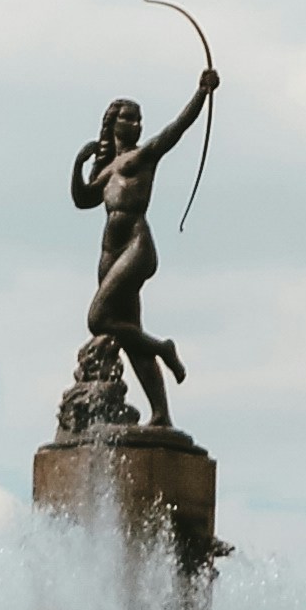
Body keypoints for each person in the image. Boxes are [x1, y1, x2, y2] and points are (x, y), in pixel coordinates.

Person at [68, 57, 217, 430]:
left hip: (137, 245)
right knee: (129, 335)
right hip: (110, 252)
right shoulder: (107, 169)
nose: (136, 125)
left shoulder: (144, 155)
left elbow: (175, 129)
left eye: (139, 119)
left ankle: (164, 348)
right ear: (113, 123)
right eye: (129, 119)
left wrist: (201, 93)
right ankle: (161, 413)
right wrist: (79, 163)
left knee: (98, 319)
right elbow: (83, 199)